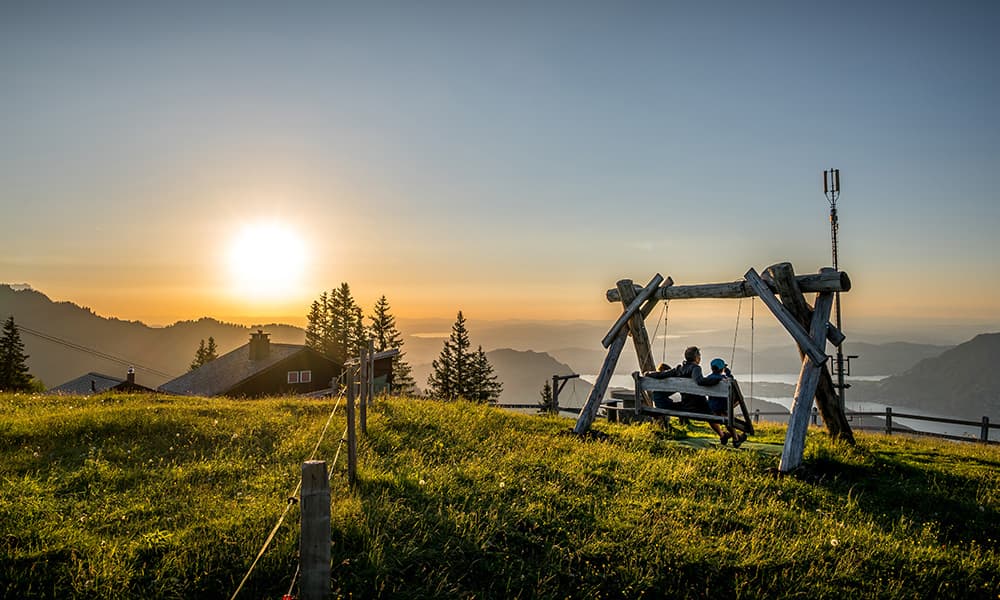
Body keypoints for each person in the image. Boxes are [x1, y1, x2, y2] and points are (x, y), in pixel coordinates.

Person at [674, 346, 743, 446]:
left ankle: (723, 435)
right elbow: (701, 381)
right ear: (697, 357)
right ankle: (736, 438)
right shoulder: (721, 378)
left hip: (695, 405)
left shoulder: (683, 370)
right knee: (726, 414)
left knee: (713, 412)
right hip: (709, 407)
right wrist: (725, 375)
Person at [704, 357, 747, 448]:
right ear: (722, 369)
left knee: (714, 414)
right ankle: (736, 439)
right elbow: (732, 384)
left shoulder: (708, 378)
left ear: (712, 368)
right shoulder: (724, 379)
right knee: (730, 410)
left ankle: (723, 435)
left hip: (712, 406)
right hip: (723, 406)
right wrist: (729, 373)